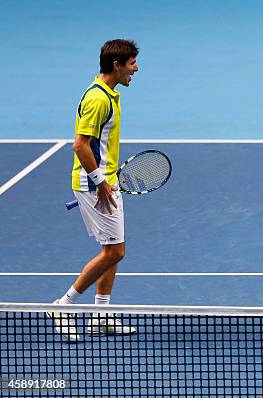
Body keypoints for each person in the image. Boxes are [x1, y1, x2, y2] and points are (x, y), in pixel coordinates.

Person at [47, 39, 139, 341]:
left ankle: (101, 316)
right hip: (94, 184)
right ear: (117, 65)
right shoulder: (98, 99)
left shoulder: (110, 93)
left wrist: (106, 179)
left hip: (105, 181)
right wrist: (100, 182)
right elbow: (80, 145)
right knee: (115, 251)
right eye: (131, 63)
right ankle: (64, 305)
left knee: (113, 250)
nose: (135, 69)